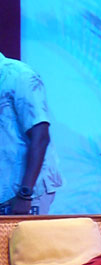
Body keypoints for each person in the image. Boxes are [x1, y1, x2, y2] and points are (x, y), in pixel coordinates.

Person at [0, 52, 61, 215]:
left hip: (23, 191)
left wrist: (25, 194)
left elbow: (40, 136)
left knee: (23, 240)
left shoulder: (19, 76)